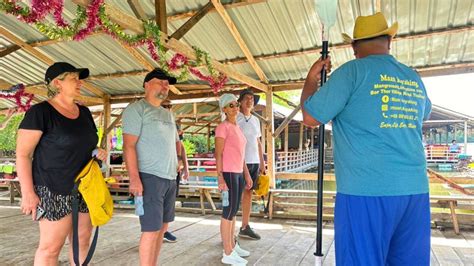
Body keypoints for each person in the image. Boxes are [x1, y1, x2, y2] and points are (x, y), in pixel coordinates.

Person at [300, 13, 432, 265]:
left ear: (354, 47)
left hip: (365, 192)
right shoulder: (412, 77)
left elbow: (310, 116)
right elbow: (422, 113)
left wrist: (311, 80)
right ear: (389, 41)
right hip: (415, 192)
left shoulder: (352, 72)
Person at [16, 62, 107, 265]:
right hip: (53, 189)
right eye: (74, 78)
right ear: (58, 83)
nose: (79, 82)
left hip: (85, 188)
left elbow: (85, 144)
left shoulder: (85, 113)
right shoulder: (40, 112)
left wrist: (97, 151)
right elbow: (23, 155)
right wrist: (28, 193)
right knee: (50, 249)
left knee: (82, 240)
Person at [122, 68, 182, 265]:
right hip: (149, 177)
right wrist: (134, 179)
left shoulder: (168, 114)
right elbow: (129, 146)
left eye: (167, 83)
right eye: (160, 82)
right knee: (150, 230)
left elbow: (175, 143)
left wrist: (180, 161)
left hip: (170, 178)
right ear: (146, 85)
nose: (165, 86)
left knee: (162, 229)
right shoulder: (136, 109)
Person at [215, 93, 253, 265]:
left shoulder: (236, 127)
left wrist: (246, 174)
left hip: (237, 172)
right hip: (229, 173)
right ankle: (227, 252)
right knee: (228, 212)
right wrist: (220, 177)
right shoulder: (222, 127)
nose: (235, 107)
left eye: (236, 104)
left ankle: (232, 245)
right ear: (224, 109)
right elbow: (218, 154)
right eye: (231, 105)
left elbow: (241, 155)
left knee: (234, 210)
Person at [236, 89, 265, 240]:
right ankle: (228, 231)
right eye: (246, 98)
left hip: (254, 161)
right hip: (239, 162)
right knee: (235, 195)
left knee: (248, 194)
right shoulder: (235, 118)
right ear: (240, 101)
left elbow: (258, 142)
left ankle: (245, 226)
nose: (249, 101)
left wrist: (262, 163)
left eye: (252, 99)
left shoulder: (255, 120)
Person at [161, 99, 190, 243]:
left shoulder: (173, 124)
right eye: (164, 106)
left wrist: (185, 165)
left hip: (173, 168)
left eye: (169, 106)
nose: (167, 108)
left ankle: (164, 230)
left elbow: (181, 146)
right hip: (158, 168)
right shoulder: (151, 123)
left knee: (169, 202)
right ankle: (157, 232)